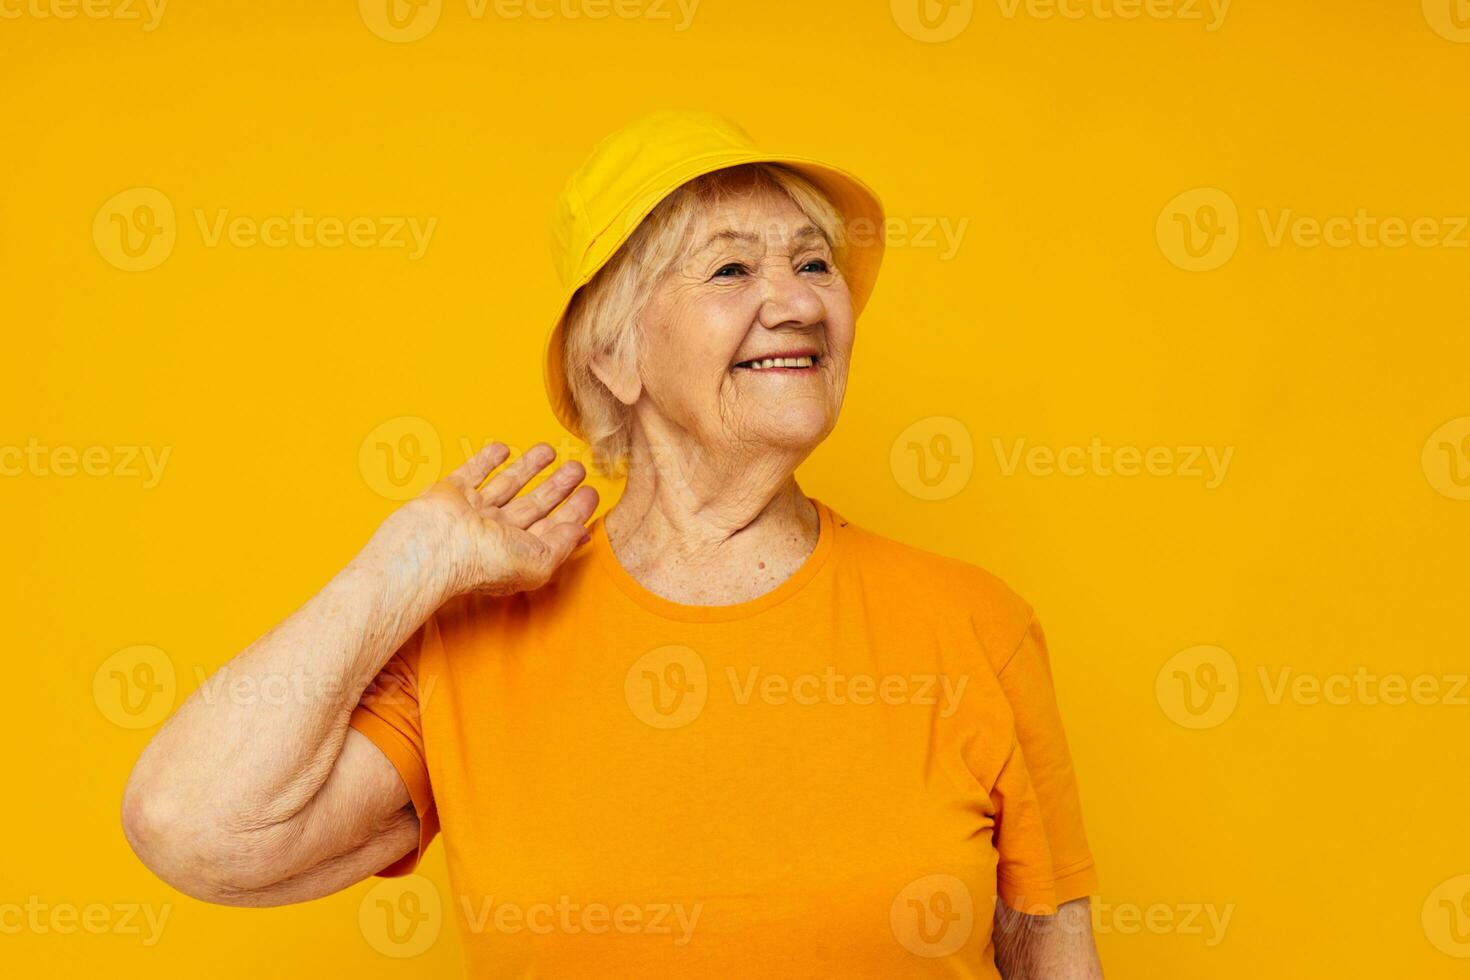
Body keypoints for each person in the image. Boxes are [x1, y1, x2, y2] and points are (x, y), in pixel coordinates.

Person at [122, 110, 1103, 978]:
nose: (800, 300)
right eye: (731, 267)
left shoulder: (974, 624)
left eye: (813, 263)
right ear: (613, 353)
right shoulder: (475, 645)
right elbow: (192, 824)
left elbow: (1055, 955)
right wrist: (405, 561)